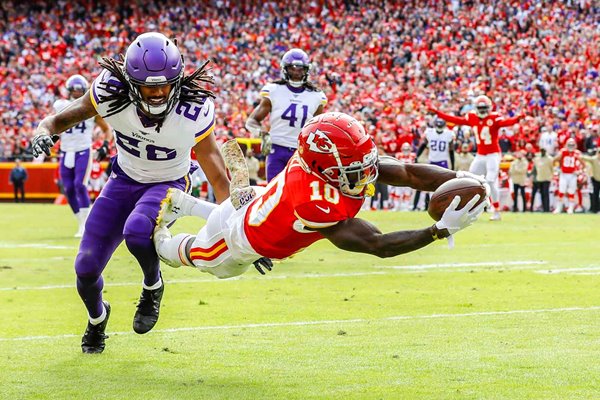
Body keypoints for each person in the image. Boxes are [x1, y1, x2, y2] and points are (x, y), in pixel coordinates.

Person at [31, 32, 230, 354]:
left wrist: (239, 229)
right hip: (123, 180)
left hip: (169, 183)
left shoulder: (193, 109)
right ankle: (97, 320)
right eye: (149, 86)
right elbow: (57, 120)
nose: (158, 93)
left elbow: (218, 175)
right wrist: (43, 131)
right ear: (130, 81)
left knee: (137, 230)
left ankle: (153, 285)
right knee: (85, 268)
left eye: (165, 84)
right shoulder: (110, 92)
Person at [153, 112, 488, 282]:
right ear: (325, 170)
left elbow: (408, 173)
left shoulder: (328, 166)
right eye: (355, 168)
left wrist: (463, 178)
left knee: (232, 205)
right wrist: (440, 230)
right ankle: (158, 233)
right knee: (199, 259)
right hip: (239, 238)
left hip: (259, 205)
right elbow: (378, 245)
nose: (366, 173)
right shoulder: (313, 201)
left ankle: (188, 203)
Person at [429, 95, 524, 221]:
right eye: (481, 108)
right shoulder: (472, 117)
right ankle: (469, 209)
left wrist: (517, 118)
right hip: (480, 155)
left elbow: (506, 122)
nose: (483, 110)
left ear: (489, 108)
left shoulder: (494, 118)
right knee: (469, 181)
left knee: (490, 181)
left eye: (484, 108)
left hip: (493, 154)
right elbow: (456, 120)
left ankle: (496, 211)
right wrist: (437, 113)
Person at [245, 48, 327, 181]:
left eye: (300, 69)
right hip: (276, 149)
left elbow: (317, 128)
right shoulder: (274, 90)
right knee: (273, 192)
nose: (296, 73)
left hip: (301, 152)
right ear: (285, 69)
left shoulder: (317, 96)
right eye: (292, 68)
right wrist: (263, 134)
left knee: (298, 194)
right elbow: (251, 121)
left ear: (306, 70)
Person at [53, 75, 112, 236]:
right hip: (66, 151)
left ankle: (85, 225)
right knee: (69, 188)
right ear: (69, 90)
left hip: (84, 150)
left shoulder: (90, 108)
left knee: (80, 185)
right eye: (75, 90)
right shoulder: (60, 105)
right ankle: (80, 222)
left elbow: (107, 129)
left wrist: (105, 145)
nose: (78, 93)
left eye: (80, 90)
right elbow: (53, 125)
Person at [553, 138, 581, 214]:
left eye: (572, 144)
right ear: (566, 144)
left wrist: (579, 171)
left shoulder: (577, 153)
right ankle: (559, 208)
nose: (571, 146)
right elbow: (554, 159)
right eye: (569, 144)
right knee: (561, 191)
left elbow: (583, 163)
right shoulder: (563, 151)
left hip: (572, 174)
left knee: (571, 192)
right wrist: (557, 168)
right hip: (564, 174)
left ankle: (570, 208)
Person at [581, 148, 600, 213]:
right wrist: (579, 154)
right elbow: (586, 158)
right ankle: (595, 209)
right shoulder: (594, 159)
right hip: (596, 180)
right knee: (595, 195)